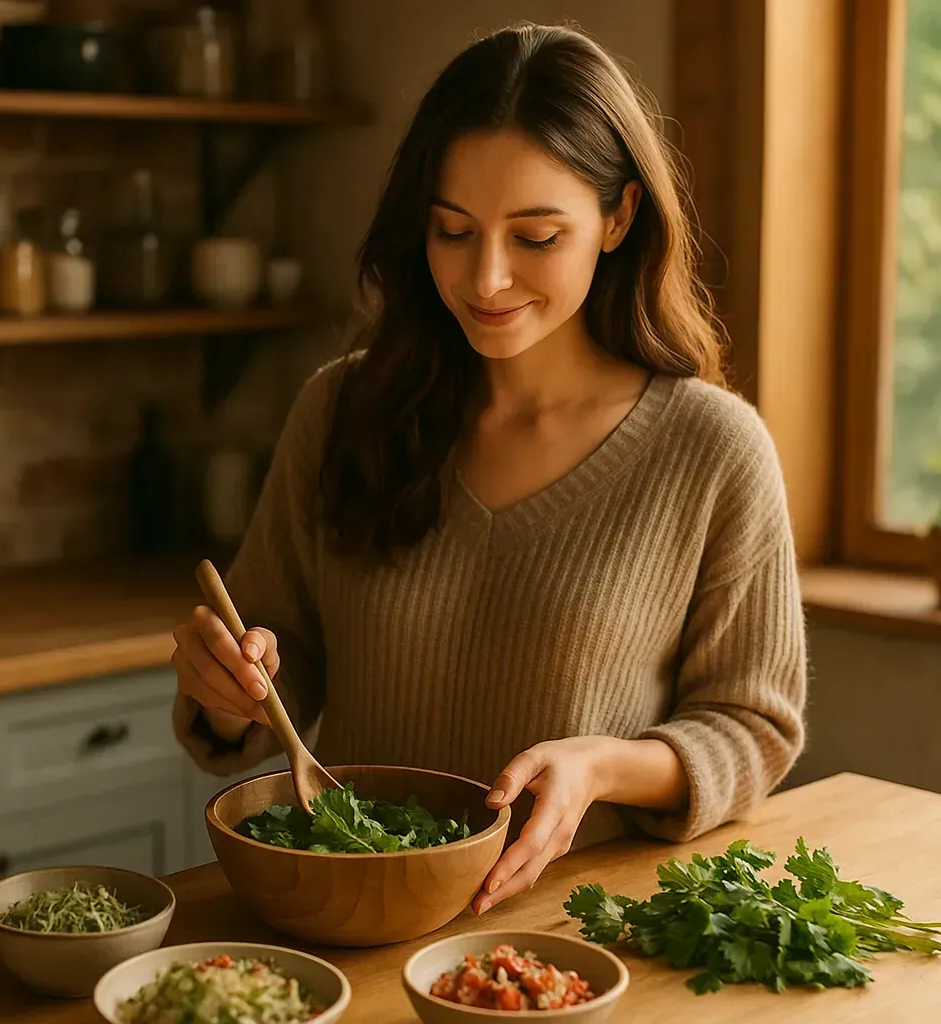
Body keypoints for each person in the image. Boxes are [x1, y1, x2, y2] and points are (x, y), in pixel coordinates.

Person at [171, 22, 806, 917]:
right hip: (357, 921)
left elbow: (754, 726)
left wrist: (598, 766)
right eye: (453, 231)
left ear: (618, 217)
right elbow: (286, 661)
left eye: (538, 236)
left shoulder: (712, 449)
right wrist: (231, 691)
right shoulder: (340, 411)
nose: (488, 278)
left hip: (574, 942)